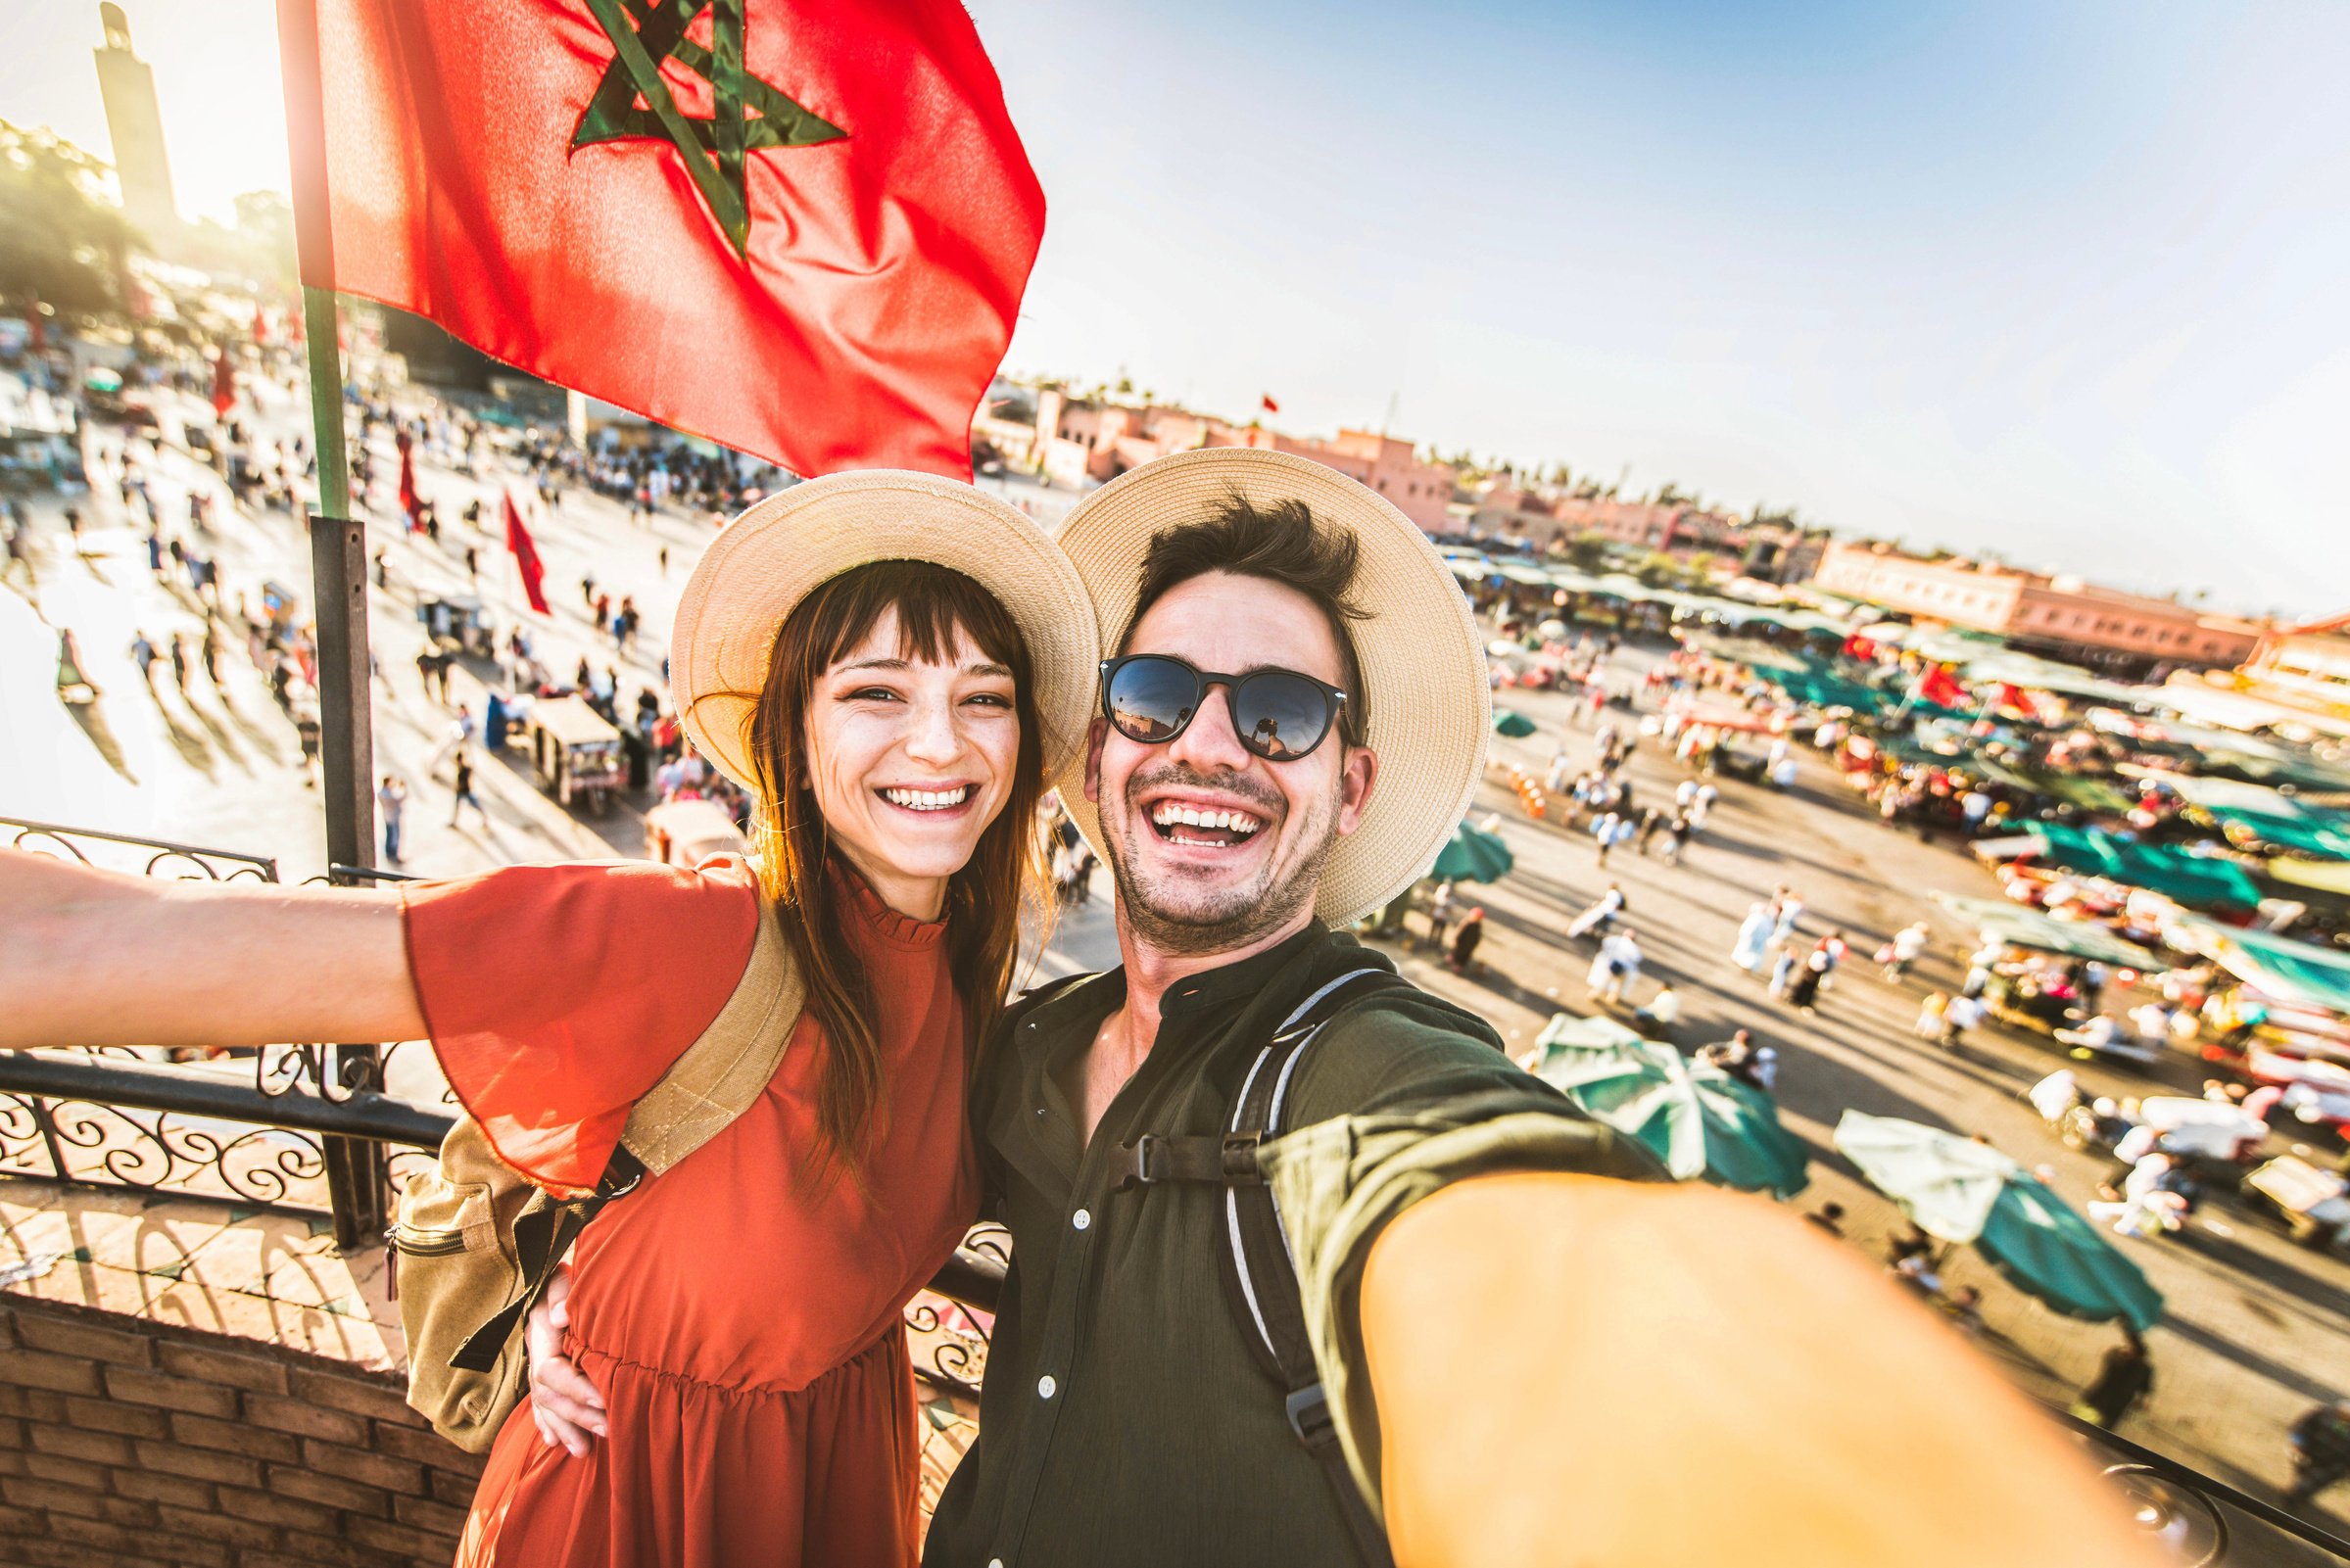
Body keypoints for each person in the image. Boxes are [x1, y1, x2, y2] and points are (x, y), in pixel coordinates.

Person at [4, 472, 1100, 1567]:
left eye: (983, 696)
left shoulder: (968, 966)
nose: (939, 744)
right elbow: (87, 938)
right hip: (637, 1493)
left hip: (837, 1463)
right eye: (876, 692)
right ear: (793, 733)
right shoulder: (695, 935)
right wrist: (611, 1322)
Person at [2070, 1330, 2153, 1431]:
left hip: (2110, 1407)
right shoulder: (2120, 1359)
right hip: (2099, 1401)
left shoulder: (2142, 1368)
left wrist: (2140, 1403)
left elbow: (2145, 1390)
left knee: (2095, 1433)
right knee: (2079, 1426)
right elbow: (2145, 1390)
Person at [2286, 1400, 2350, 1511]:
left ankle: (2295, 1498)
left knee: (2309, 1484)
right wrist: (2297, 1444)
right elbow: (2301, 1427)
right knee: (2303, 1476)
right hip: (2308, 1453)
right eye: (2343, 1416)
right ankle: (2298, 1495)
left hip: (2333, 1465)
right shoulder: (2322, 1414)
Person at [1731, 900, 1774, 974]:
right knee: (1753, 954)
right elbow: (1770, 932)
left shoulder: (1756, 918)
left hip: (1751, 939)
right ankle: (1748, 965)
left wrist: (1744, 935)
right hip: (1759, 941)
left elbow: (1748, 929)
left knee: (1745, 951)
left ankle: (1744, 964)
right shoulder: (1767, 920)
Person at [450, 752, 487, 828]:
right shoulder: (461, 768)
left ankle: (485, 818)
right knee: (457, 806)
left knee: (475, 805)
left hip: (466, 791)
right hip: (460, 792)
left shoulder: (465, 769)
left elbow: (468, 778)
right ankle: (455, 821)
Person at [377, 775, 408, 865]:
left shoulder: (384, 793)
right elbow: (399, 799)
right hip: (392, 817)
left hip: (389, 816)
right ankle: (392, 854)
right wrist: (403, 788)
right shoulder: (386, 794)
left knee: (390, 835)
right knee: (393, 836)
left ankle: (389, 853)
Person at [1446, 905, 1485, 974]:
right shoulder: (1466, 923)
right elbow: (1459, 933)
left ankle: (1459, 966)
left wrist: (1476, 943)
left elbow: (1477, 935)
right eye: (1476, 917)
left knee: (1465, 957)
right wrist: (1455, 940)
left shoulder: (1478, 925)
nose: (1477, 919)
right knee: (1456, 953)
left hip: (1469, 945)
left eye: (1478, 918)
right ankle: (1451, 960)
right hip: (1461, 943)